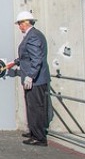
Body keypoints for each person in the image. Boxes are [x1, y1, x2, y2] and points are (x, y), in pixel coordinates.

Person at [6, 11, 51, 147]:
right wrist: (15, 62)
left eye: (20, 24)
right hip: (34, 78)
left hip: (36, 80)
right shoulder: (33, 35)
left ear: (25, 23)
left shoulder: (33, 37)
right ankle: (34, 131)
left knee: (35, 107)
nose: (19, 27)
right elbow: (27, 56)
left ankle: (39, 137)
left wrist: (30, 76)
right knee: (31, 106)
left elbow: (36, 59)